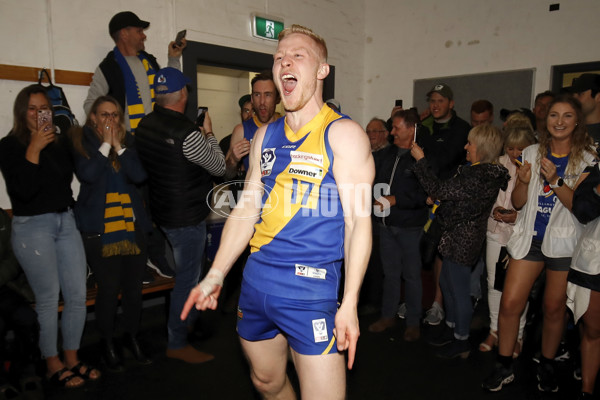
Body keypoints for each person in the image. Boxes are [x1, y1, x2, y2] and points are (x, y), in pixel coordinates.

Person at [182, 24, 373, 399]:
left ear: (322, 70)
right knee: (266, 383)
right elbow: (246, 210)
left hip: (311, 291)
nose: (285, 61)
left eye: (297, 55)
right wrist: (216, 274)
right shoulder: (264, 137)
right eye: (278, 58)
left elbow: (358, 224)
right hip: (256, 284)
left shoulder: (343, 135)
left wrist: (350, 303)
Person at [483, 94, 597, 393]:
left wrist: (557, 180)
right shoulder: (532, 152)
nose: (559, 121)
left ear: (577, 122)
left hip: (564, 242)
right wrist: (521, 181)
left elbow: (581, 209)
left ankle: (546, 363)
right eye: (554, 116)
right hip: (529, 238)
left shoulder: (587, 158)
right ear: (546, 121)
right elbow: (519, 204)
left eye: (567, 116)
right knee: (510, 303)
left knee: (554, 308)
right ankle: (504, 363)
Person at [0, 84, 100, 388]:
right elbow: (22, 191)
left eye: (43, 108)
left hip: (65, 221)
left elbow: (65, 183)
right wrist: (33, 148)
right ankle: (51, 362)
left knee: (76, 296)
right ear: (21, 112)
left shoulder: (59, 143)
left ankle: (72, 357)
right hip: (32, 227)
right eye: (32, 108)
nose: (39, 114)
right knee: (46, 300)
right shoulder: (9, 146)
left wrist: (60, 143)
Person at [135, 67, 225, 364]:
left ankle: (185, 325)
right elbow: (219, 166)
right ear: (183, 95)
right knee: (188, 280)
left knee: (184, 276)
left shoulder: (145, 125)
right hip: (186, 219)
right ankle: (178, 340)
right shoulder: (189, 134)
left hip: (163, 214)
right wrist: (209, 132)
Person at [411, 124, 509, 359]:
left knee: (458, 290)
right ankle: (452, 328)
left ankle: (461, 340)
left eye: (470, 143)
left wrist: (421, 160)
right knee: (446, 284)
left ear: (483, 148)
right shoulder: (477, 171)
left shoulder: (480, 175)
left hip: (463, 240)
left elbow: (438, 189)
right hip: (455, 236)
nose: (466, 147)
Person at [71, 96, 152, 371]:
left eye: (115, 115)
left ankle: (132, 336)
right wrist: (106, 145)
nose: (110, 121)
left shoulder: (128, 142)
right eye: (104, 115)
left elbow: (140, 176)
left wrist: (119, 145)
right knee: (108, 290)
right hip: (99, 230)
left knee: (133, 290)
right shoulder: (81, 141)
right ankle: (106, 342)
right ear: (93, 117)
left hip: (131, 227)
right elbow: (89, 174)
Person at [368, 110, 428, 342]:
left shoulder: (421, 156)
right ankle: (388, 315)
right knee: (390, 274)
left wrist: (396, 199)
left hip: (409, 227)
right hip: (385, 225)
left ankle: (413, 322)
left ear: (412, 129)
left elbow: (427, 192)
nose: (391, 132)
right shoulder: (388, 154)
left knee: (412, 276)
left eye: (396, 128)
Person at [479, 126, 536, 356]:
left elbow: (537, 205)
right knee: (494, 284)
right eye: (510, 148)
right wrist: (496, 211)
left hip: (521, 235)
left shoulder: (537, 166)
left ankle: (518, 336)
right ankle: (495, 330)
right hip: (495, 230)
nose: (514, 153)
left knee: (518, 289)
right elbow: (487, 195)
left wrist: (518, 216)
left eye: (520, 148)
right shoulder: (498, 164)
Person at [419, 83, 471, 326]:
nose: (436, 105)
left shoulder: (462, 129)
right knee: (427, 253)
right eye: (433, 101)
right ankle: (434, 304)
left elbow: (443, 163)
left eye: (441, 100)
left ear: (451, 103)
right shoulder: (424, 127)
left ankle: (444, 307)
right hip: (425, 198)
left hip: (451, 203)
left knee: (445, 255)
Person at [84, 11, 186, 132]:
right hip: (128, 144)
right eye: (139, 31)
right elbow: (90, 105)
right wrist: (111, 131)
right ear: (124, 34)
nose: (144, 36)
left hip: (156, 139)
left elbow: (170, 89)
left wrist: (173, 58)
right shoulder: (108, 68)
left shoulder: (149, 62)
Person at [566, 161, 600, 400]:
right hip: (594, 260)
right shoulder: (595, 168)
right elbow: (582, 210)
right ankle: (587, 389)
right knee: (593, 329)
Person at [0, 208, 42, 399]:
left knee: (27, 318)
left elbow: (14, 252)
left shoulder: (1, 216)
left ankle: (24, 370)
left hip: (4, 284)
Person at [225, 71, 280, 179]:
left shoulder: (287, 127)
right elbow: (226, 175)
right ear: (252, 99)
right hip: (253, 193)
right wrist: (233, 159)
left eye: (268, 95)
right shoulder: (241, 130)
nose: (262, 101)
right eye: (257, 95)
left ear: (277, 98)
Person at [570, 73, 600, 144]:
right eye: (573, 95)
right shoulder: (568, 131)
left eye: (580, 94)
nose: (574, 99)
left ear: (598, 97)